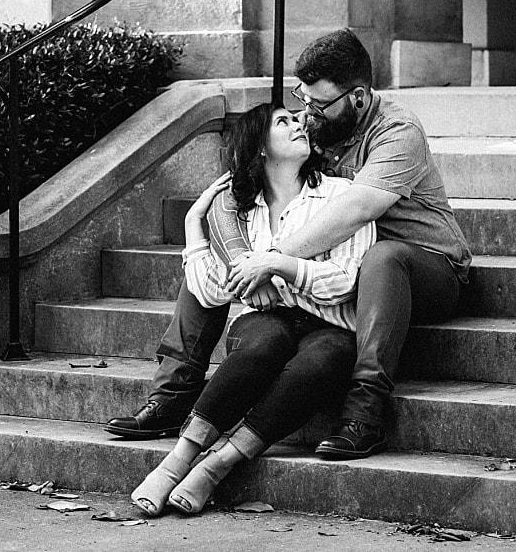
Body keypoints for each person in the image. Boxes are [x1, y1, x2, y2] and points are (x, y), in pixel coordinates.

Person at [105, 28, 471, 459]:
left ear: (357, 97)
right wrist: (243, 259)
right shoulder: (316, 126)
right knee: (213, 267)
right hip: (336, 273)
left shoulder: (397, 132)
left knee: (384, 256)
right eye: (302, 100)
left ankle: (364, 414)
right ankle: (173, 393)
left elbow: (357, 209)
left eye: (318, 104)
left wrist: (273, 259)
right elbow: (234, 190)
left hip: (424, 270)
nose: (307, 114)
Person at [129, 102, 376, 516]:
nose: (299, 124)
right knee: (263, 346)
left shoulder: (341, 196)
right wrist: (194, 222)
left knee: (321, 360)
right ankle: (177, 460)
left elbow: (345, 280)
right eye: (284, 122)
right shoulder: (238, 212)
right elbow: (209, 293)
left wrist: (276, 267)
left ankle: (217, 464)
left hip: (329, 323)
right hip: (263, 323)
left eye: (298, 119)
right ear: (260, 147)